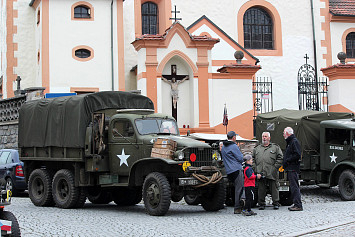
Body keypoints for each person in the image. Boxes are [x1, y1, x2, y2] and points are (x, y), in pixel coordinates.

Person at [253, 132, 283, 210]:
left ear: (269, 138)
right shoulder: (257, 148)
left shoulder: (275, 147)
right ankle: (261, 204)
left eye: (266, 136)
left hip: (272, 172)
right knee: (261, 189)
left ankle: (276, 203)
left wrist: (275, 167)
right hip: (260, 171)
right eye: (263, 136)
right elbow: (252, 159)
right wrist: (255, 168)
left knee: (274, 188)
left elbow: (280, 158)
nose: (264, 138)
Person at [221, 131, 244, 214]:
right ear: (234, 137)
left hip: (228, 171)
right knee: (239, 188)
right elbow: (240, 158)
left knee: (234, 189)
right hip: (236, 169)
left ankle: (236, 203)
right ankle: (237, 207)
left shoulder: (224, 147)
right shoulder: (234, 146)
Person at [283, 127, 303, 211]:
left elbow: (297, 155)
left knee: (294, 186)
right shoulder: (291, 142)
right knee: (293, 186)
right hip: (290, 167)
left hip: (293, 167)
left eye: (284, 133)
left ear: (288, 133)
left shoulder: (293, 142)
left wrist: (288, 160)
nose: (283, 134)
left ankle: (298, 205)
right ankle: (296, 204)